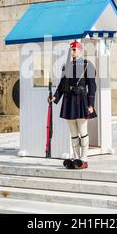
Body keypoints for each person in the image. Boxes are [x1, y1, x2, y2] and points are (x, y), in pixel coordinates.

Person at [48, 41, 97, 170]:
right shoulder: (66, 66)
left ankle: (84, 159)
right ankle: (76, 158)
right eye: (71, 49)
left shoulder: (88, 65)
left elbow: (92, 86)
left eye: (74, 49)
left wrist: (91, 104)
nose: (73, 52)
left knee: (82, 131)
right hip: (69, 100)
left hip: (81, 99)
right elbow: (61, 85)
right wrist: (55, 97)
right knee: (73, 132)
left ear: (80, 50)